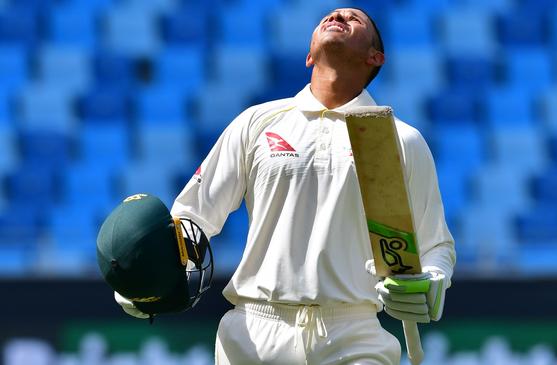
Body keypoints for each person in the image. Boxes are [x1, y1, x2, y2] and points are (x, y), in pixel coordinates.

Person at [116, 7, 455, 364]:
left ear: (375, 57)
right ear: (309, 56)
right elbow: (193, 216)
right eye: (331, 14)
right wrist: (148, 277)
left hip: (353, 333)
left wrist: (432, 280)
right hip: (254, 332)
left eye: (356, 19)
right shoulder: (258, 122)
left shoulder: (400, 139)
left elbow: (436, 244)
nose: (338, 14)